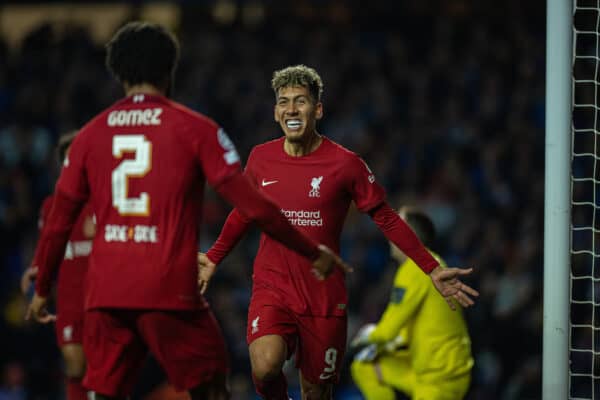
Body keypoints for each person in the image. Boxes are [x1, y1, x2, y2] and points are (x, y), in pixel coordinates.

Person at [25, 22, 347, 400]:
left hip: (106, 293)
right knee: (211, 385)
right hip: (168, 290)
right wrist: (311, 250)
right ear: (169, 69)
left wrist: (43, 287)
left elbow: (59, 220)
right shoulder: (195, 128)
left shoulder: (90, 136)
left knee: (104, 390)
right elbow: (252, 204)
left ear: (118, 72)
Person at [197, 65, 479, 400]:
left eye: (300, 101)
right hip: (273, 286)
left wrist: (430, 267)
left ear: (317, 109)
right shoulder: (261, 158)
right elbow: (245, 211)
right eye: (284, 102)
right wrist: (214, 257)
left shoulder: (345, 164)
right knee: (265, 365)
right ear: (275, 112)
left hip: (323, 295)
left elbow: (386, 217)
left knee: (316, 392)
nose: (291, 109)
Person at [350, 207, 474, 400]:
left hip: (440, 379)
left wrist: (360, 338)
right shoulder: (430, 263)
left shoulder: (415, 268)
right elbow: (402, 332)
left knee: (363, 358)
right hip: (424, 370)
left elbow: (387, 331)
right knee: (365, 366)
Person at [21, 131, 94, 400]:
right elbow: (47, 244)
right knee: (75, 363)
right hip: (69, 298)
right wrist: (36, 268)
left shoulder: (103, 201)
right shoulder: (51, 206)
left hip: (101, 296)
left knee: (103, 370)